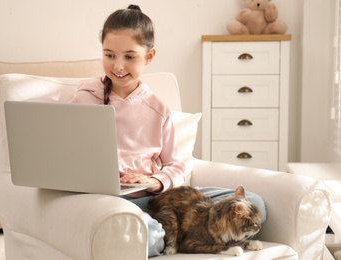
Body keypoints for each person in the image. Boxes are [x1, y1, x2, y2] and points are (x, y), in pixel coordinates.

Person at [70, 5, 266, 257]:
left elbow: (175, 166)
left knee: (256, 204)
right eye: (109, 55)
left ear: (149, 56)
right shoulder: (85, 98)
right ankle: (178, 237)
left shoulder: (158, 109)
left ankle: (186, 235)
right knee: (148, 235)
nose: (118, 65)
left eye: (130, 56)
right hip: (109, 201)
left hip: (156, 199)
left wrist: (152, 181)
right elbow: (69, 152)